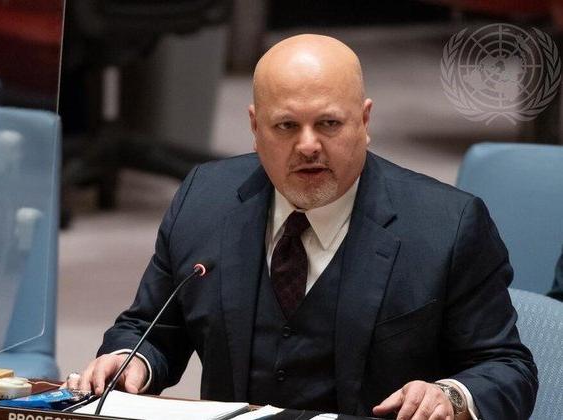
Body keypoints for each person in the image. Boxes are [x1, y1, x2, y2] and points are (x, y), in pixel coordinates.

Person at [71, 34, 537, 420]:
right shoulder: (205, 200)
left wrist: (451, 396)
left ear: (364, 121)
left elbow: (505, 367)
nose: (308, 145)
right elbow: (150, 328)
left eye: (329, 123)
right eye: (286, 126)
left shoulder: (446, 226)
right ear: (255, 127)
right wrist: (130, 359)